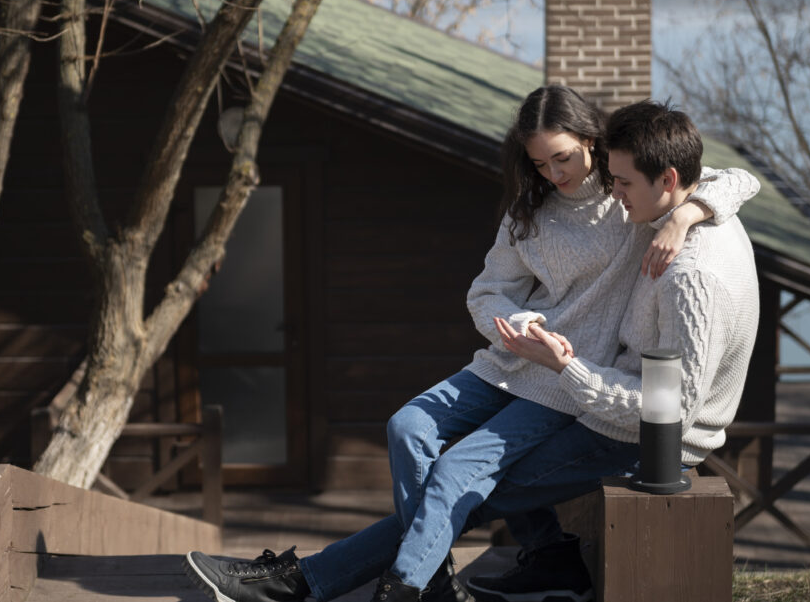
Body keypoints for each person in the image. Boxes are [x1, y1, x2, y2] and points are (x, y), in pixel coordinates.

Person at [182, 88, 758, 602]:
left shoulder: (630, 198)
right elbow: (486, 294)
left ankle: (329, 582)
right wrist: (519, 320)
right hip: (521, 362)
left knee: (458, 481)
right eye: (540, 163)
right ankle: (436, 576)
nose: (556, 173)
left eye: (564, 157)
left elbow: (735, 179)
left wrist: (685, 216)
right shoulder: (535, 211)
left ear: (593, 142)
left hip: (575, 383)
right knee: (409, 429)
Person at [465, 99, 761, 602]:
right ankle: (549, 563)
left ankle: (362, 579)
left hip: (639, 437)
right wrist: (685, 213)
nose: (613, 194)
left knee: (478, 482)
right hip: (613, 402)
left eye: (621, 183)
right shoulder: (674, 212)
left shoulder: (691, 277)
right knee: (468, 467)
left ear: (666, 179)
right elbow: (734, 180)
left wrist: (568, 369)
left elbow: (669, 414)